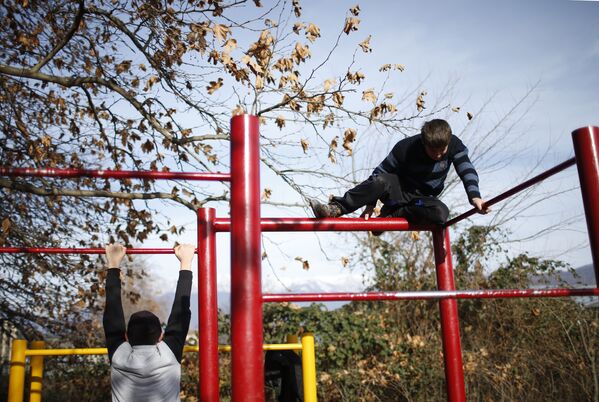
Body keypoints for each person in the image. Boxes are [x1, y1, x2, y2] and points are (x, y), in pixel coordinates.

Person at [309, 119, 489, 228]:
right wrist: (370, 205)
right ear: (424, 143)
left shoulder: (455, 145)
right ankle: (336, 208)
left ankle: (391, 216)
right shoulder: (406, 147)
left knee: (440, 213)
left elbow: (467, 169)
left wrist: (475, 197)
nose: (439, 155)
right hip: (397, 191)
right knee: (381, 180)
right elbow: (379, 173)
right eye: (433, 151)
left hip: (421, 200)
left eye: (443, 150)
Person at [103, 242, 195, 402]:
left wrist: (113, 264)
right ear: (160, 336)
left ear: (127, 336)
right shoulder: (168, 355)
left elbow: (112, 313)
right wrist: (186, 262)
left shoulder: (120, 357)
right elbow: (181, 312)